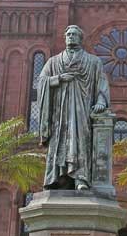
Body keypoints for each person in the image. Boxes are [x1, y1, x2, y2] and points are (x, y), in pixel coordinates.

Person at [38, 25, 110, 190]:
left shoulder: (93, 61)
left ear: (80, 38)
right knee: (58, 142)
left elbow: (102, 83)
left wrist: (101, 101)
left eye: (74, 34)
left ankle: (81, 179)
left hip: (82, 111)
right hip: (59, 113)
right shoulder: (53, 61)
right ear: (64, 38)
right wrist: (59, 79)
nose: (71, 37)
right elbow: (41, 81)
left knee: (81, 140)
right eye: (68, 34)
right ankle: (57, 178)